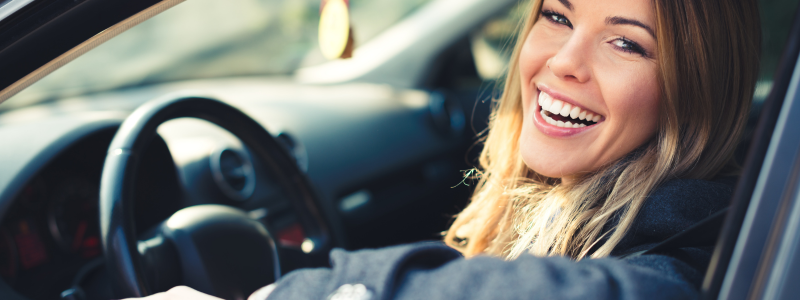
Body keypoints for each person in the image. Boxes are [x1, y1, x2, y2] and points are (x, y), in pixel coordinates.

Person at [124, 0, 760, 299]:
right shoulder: (571, 208)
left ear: (693, 90)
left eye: (626, 44)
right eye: (558, 17)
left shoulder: (693, 251)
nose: (561, 62)